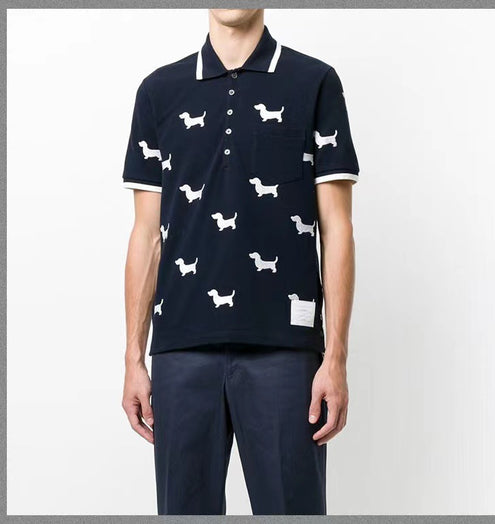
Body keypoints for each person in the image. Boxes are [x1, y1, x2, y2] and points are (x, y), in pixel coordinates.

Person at [121, 8, 359, 516]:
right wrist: (133, 359)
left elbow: (337, 228)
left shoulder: (314, 82)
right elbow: (146, 235)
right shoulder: (159, 92)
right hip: (181, 351)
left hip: (286, 353)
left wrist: (335, 358)